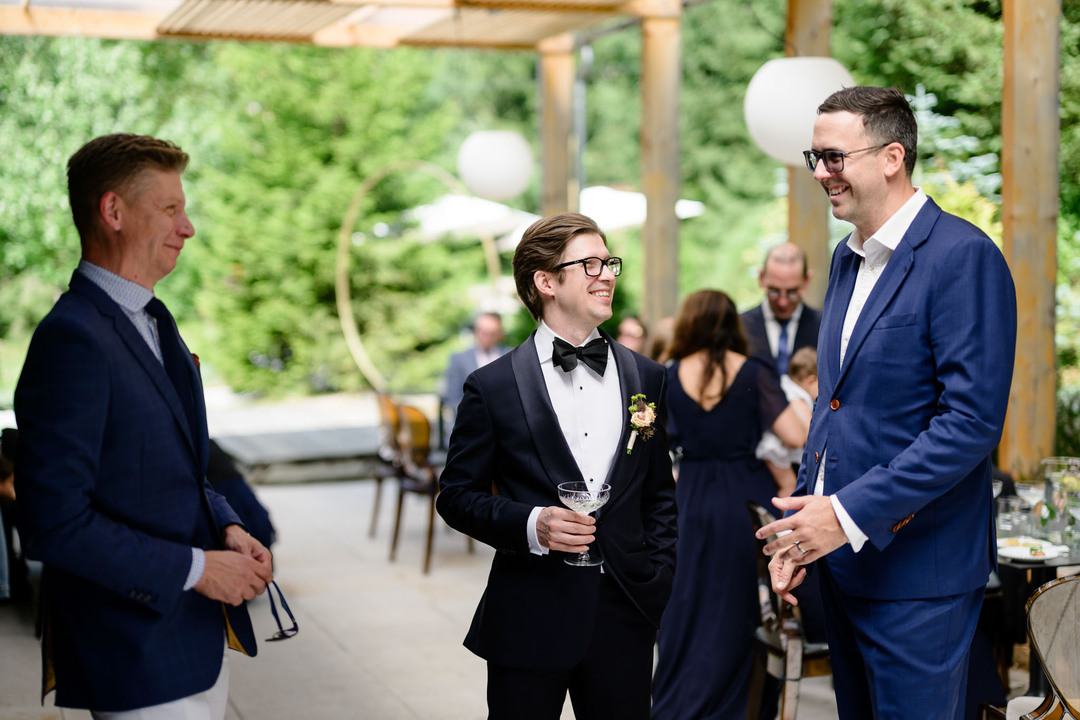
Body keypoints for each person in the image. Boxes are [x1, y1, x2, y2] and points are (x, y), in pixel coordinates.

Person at [757, 86, 1017, 720]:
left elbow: (970, 424)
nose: (820, 172)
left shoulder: (963, 256)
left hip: (920, 577)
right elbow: (833, 409)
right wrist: (801, 532)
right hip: (842, 568)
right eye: (815, 157)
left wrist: (845, 515)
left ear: (892, 157)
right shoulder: (845, 260)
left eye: (833, 157)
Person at [14, 133, 274, 717]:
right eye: (170, 208)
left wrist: (227, 524)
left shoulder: (154, 320)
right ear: (113, 211)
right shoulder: (72, 339)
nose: (188, 227)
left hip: (194, 643)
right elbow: (54, 524)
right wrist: (198, 568)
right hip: (131, 653)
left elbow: (175, 467)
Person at [436, 212, 678, 720]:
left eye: (609, 262)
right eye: (590, 264)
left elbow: (659, 493)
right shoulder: (492, 386)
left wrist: (657, 579)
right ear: (546, 282)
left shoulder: (647, 377)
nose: (607, 275)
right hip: (530, 612)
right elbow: (455, 496)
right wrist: (533, 524)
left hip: (625, 613)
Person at [651, 289, 806, 720]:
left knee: (687, 600)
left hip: (691, 496)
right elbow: (795, 435)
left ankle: (680, 704)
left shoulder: (668, 374)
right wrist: (800, 400)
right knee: (738, 603)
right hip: (743, 496)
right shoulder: (754, 371)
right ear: (732, 324)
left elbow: (654, 443)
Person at [741, 242, 822, 376]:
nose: (782, 302)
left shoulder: (824, 326)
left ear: (806, 281)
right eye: (774, 291)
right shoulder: (740, 326)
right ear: (761, 278)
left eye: (792, 292)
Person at [755, 346, 818, 497]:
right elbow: (809, 431)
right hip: (774, 450)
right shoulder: (799, 397)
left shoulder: (784, 385)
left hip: (772, 448)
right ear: (811, 380)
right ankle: (786, 512)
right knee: (788, 486)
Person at [442, 312, 509, 439]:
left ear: (500, 333)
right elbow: (452, 396)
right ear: (476, 331)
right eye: (482, 332)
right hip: (470, 429)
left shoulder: (510, 355)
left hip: (505, 429)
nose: (486, 337)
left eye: (492, 333)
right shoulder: (459, 359)